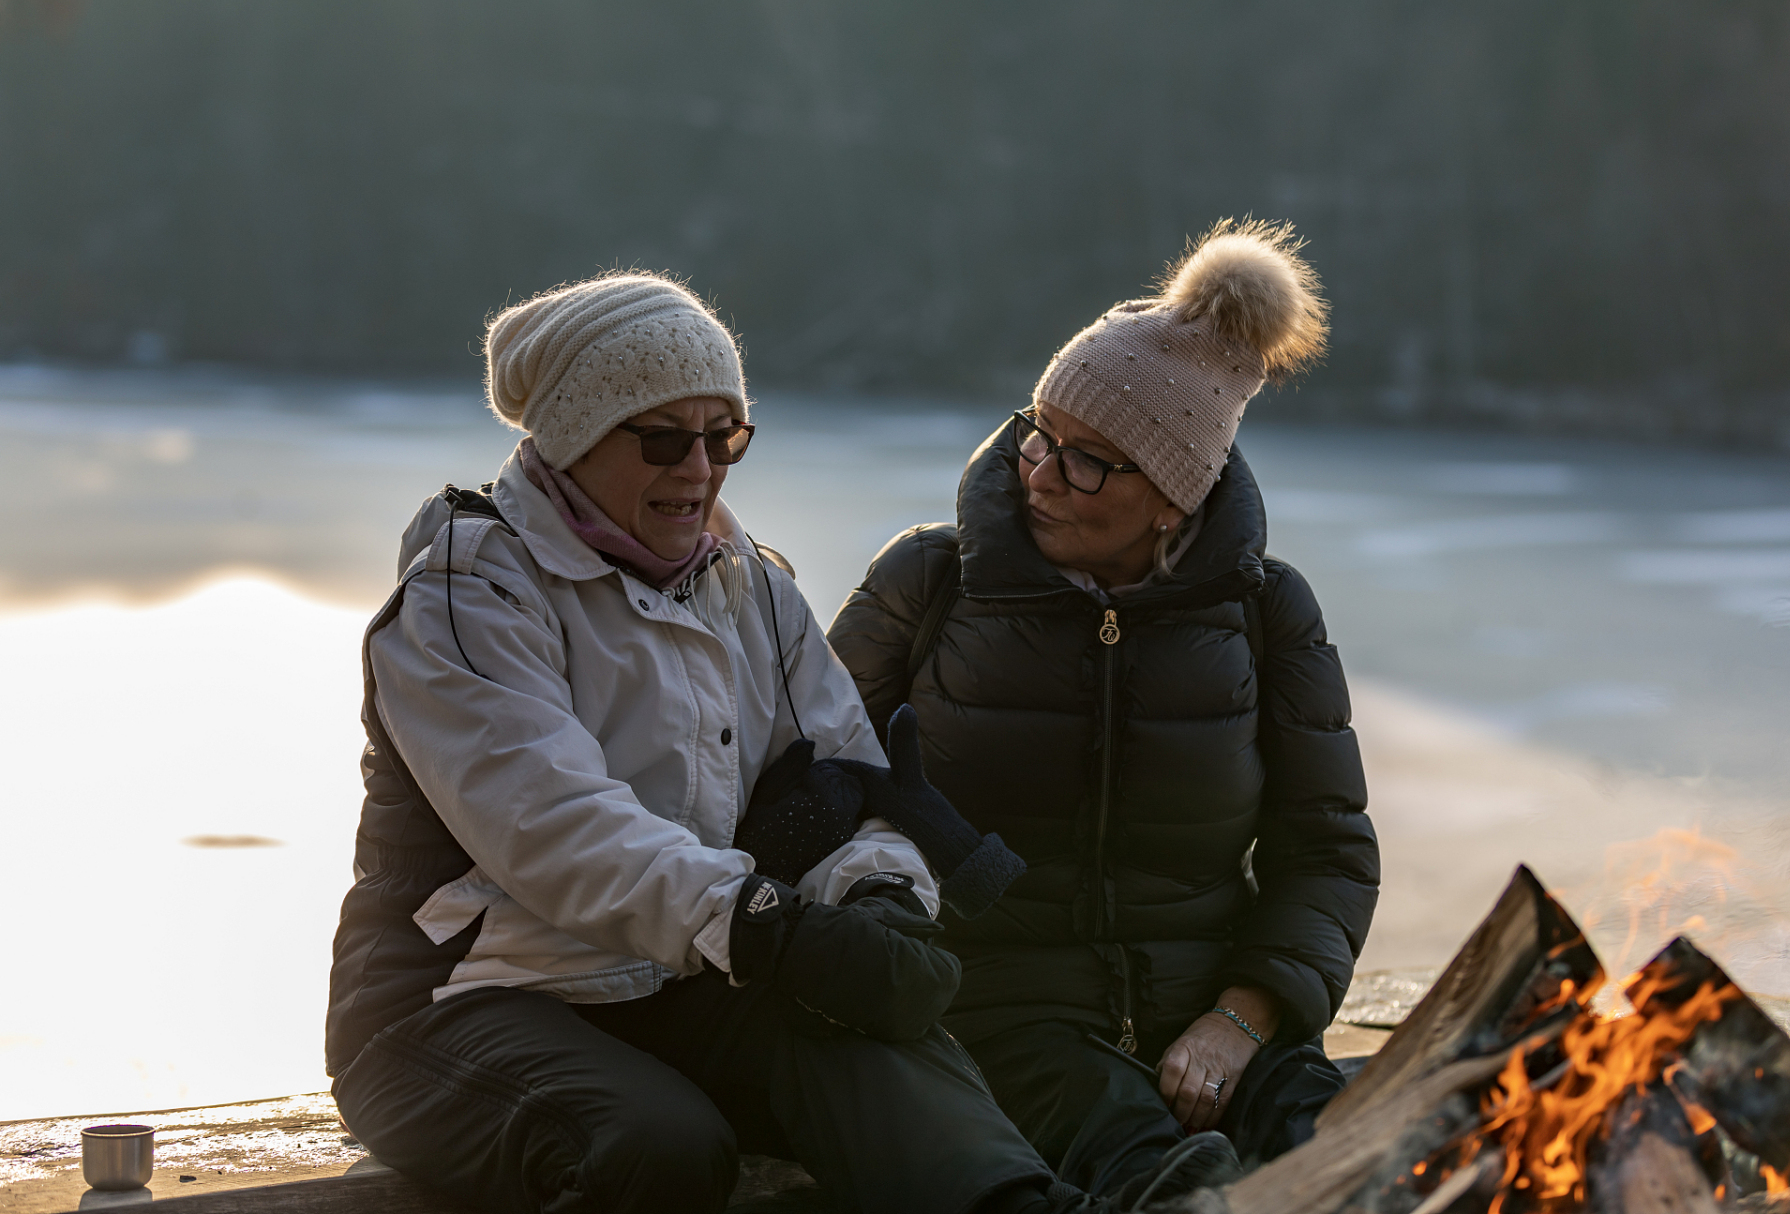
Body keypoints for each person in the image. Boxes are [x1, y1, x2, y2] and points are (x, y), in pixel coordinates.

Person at [322, 273, 1195, 1214]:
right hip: (455, 1002)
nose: (698, 469)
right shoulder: (471, 587)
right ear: (572, 439)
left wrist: (882, 899)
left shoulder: (752, 586)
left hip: (677, 980)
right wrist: (768, 927)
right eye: (662, 438)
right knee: (656, 1149)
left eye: (724, 435)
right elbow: (555, 828)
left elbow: (852, 780)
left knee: (881, 1051)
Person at [827, 221, 1383, 1200]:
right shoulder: (929, 582)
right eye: (1039, 432)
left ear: (1175, 494)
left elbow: (1326, 846)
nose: (1038, 472)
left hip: (1212, 1003)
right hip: (998, 1014)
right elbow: (808, 784)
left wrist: (1245, 1015)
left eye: (1089, 460)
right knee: (1162, 1174)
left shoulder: (1266, 610)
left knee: (1363, 1147)